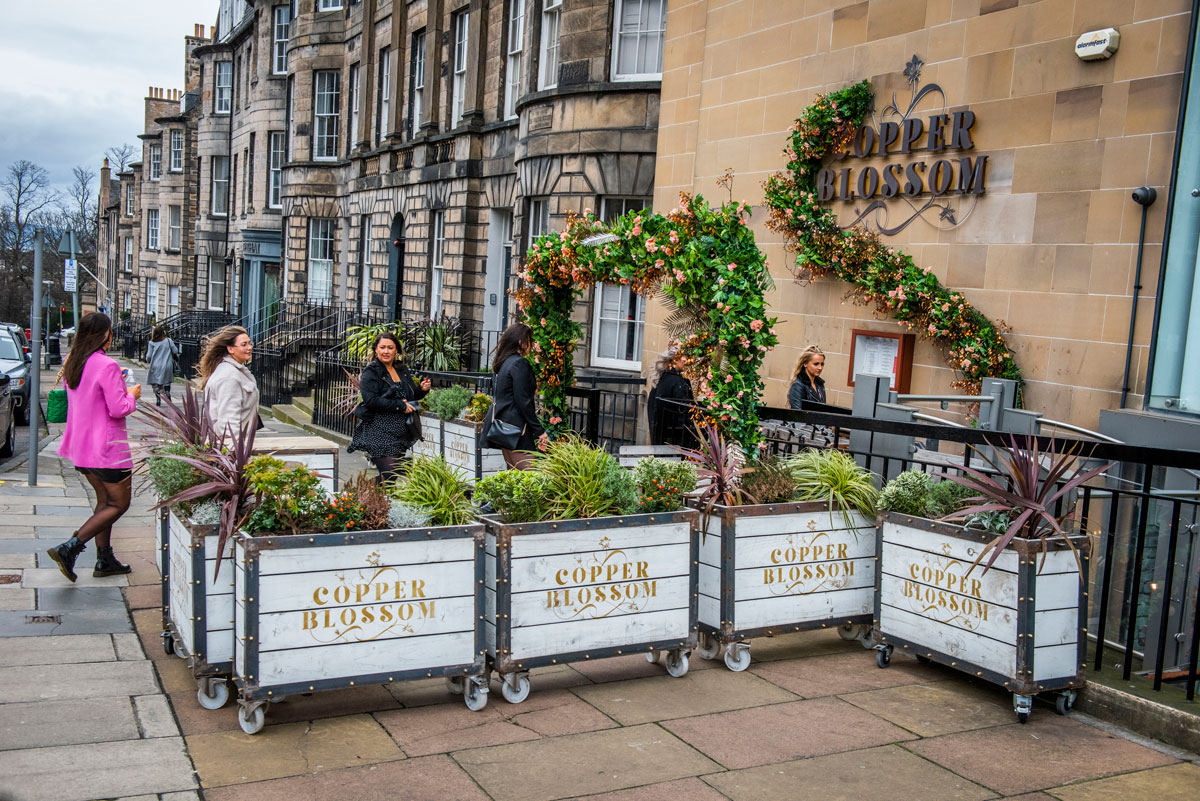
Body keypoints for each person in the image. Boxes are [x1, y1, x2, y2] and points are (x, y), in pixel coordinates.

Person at [48, 312, 140, 582]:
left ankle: (105, 559)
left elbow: (90, 394)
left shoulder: (73, 361)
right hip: (107, 449)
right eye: (110, 332)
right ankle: (70, 547)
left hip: (81, 448)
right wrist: (131, 395)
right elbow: (118, 408)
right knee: (120, 504)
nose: (112, 336)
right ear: (104, 334)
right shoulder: (107, 365)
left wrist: (116, 382)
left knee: (104, 502)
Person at [348, 332, 432, 483]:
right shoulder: (372, 372)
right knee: (389, 475)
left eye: (390, 348)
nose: (386, 351)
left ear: (396, 351)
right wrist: (399, 406)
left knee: (390, 481)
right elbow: (371, 400)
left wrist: (422, 389)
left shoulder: (401, 370)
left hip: (401, 431)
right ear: (376, 350)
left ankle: (375, 504)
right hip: (379, 429)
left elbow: (410, 396)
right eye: (382, 347)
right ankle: (357, 496)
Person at [488, 323, 549, 470]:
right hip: (516, 429)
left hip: (504, 426)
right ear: (521, 342)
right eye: (529, 339)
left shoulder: (504, 362)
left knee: (513, 476)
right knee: (531, 476)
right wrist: (539, 430)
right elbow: (523, 401)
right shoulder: (519, 363)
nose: (531, 344)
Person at [199, 325, 259, 442]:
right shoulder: (229, 377)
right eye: (244, 344)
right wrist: (239, 454)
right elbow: (229, 424)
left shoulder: (235, 371)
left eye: (249, 343)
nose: (249, 347)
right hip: (226, 449)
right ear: (230, 349)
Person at [647, 347, 697, 448]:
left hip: (659, 437)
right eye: (685, 357)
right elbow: (684, 411)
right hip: (675, 442)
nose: (687, 360)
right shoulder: (678, 382)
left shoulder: (661, 378)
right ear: (675, 359)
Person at [145, 325, 180, 406]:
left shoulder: (151, 343)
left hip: (155, 366)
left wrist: (148, 360)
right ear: (163, 332)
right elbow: (175, 350)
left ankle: (158, 397)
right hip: (167, 365)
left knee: (156, 383)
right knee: (167, 382)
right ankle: (167, 392)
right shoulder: (168, 341)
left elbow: (149, 356)